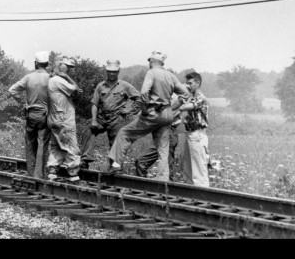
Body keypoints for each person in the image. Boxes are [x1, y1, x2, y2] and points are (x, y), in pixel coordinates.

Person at [106, 51, 188, 179]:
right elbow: (185, 94)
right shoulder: (171, 75)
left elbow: (144, 92)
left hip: (153, 113)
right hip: (167, 115)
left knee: (124, 133)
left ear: (152, 62)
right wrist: (172, 107)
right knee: (163, 150)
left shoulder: (152, 73)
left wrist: (144, 110)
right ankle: (163, 180)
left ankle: (115, 166)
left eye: (149, 61)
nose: (149, 63)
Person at [80, 59, 140, 169]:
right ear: (106, 71)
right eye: (109, 71)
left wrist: (129, 110)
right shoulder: (101, 86)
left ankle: (114, 169)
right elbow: (95, 104)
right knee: (89, 129)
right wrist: (94, 119)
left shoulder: (125, 86)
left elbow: (139, 98)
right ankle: (85, 160)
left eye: (114, 72)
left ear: (118, 72)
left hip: (117, 118)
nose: (112, 74)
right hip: (102, 117)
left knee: (116, 143)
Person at [8, 50, 52, 178]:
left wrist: (23, 101)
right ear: (47, 64)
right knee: (43, 145)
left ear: (35, 64)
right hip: (45, 115)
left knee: (30, 144)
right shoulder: (51, 78)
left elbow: (12, 90)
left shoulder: (29, 77)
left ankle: (31, 173)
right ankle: (41, 175)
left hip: (31, 114)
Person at [46, 55, 82, 182]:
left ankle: (52, 171)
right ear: (60, 65)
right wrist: (66, 77)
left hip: (53, 117)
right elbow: (75, 88)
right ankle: (73, 173)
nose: (69, 70)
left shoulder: (51, 80)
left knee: (56, 146)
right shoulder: (59, 80)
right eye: (67, 66)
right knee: (71, 146)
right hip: (64, 118)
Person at [175, 71, 210, 186]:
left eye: (190, 83)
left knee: (199, 171)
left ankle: (202, 197)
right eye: (186, 83)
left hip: (198, 135)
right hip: (190, 133)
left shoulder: (201, 98)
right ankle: (191, 197)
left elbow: (185, 107)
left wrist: (178, 98)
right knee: (188, 169)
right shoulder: (191, 96)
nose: (188, 86)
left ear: (198, 83)